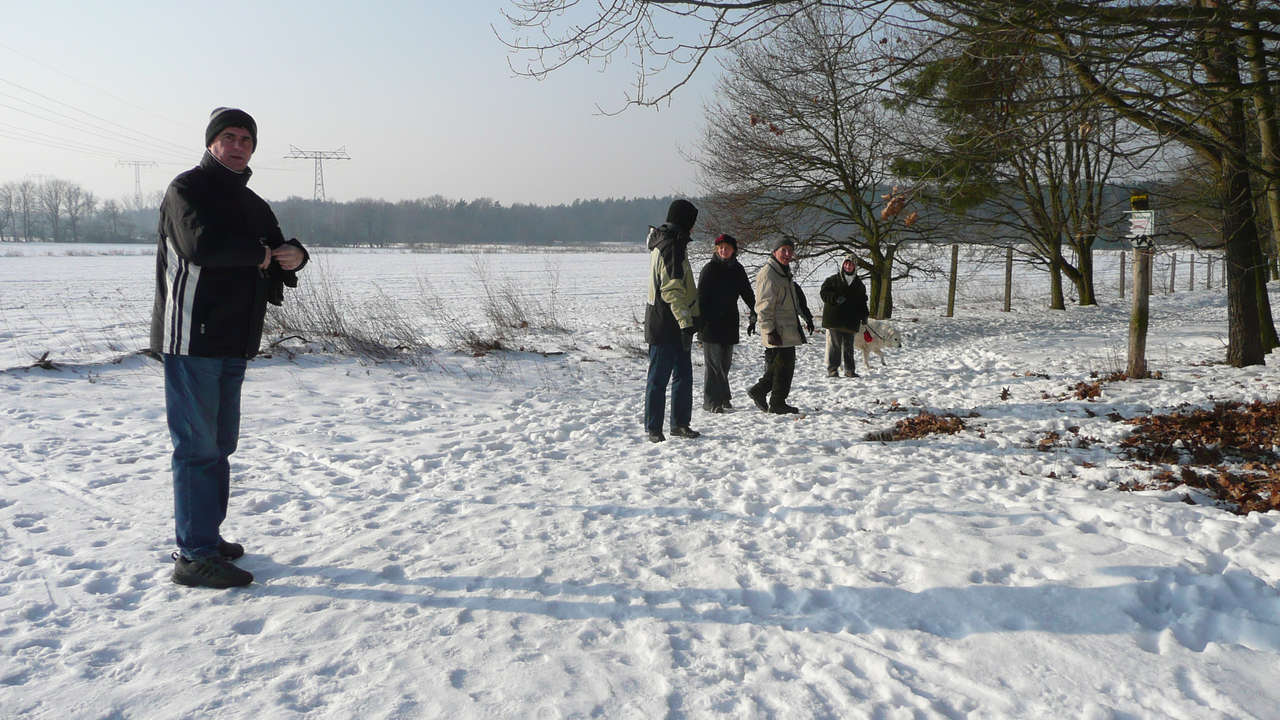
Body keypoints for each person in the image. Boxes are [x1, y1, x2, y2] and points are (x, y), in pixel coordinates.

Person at [151, 107, 309, 588]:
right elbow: (203, 246)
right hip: (192, 336)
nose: (237, 144)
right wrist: (261, 253)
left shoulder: (254, 203)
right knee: (197, 448)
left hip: (235, 338)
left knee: (219, 445)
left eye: (245, 138)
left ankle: (206, 538)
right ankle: (194, 554)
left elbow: (277, 253)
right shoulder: (187, 190)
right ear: (212, 143)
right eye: (228, 137)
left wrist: (294, 255)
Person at [644, 199, 702, 442]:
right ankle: (654, 428)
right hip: (666, 324)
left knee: (683, 376)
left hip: (674, 322)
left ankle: (680, 424)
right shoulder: (671, 247)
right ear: (685, 223)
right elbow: (671, 290)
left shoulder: (671, 243)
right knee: (659, 379)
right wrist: (685, 323)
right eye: (692, 224)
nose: (693, 229)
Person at [697, 234, 756, 413]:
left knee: (724, 364)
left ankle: (722, 397)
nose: (724, 250)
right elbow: (700, 298)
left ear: (733, 250)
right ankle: (711, 401)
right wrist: (698, 325)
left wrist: (755, 310)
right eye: (721, 247)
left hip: (729, 322)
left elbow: (747, 292)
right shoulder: (709, 269)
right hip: (710, 324)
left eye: (727, 247)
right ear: (717, 249)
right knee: (714, 365)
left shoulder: (738, 269)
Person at [748, 238, 806, 414]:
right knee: (783, 367)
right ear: (775, 252)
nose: (787, 254)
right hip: (777, 330)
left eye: (790, 251)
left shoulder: (782, 272)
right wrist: (769, 331)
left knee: (781, 366)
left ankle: (764, 394)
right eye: (783, 250)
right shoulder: (769, 274)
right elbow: (763, 307)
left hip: (787, 329)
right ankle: (776, 402)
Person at [819, 253, 869, 378]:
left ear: (855, 267)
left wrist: (864, 315)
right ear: (842, 265)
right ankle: (832, 370)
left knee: (849, 347)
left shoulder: (859, 285)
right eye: (846, 263)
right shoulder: (832, 280)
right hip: (834, 319)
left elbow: (862, 301)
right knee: (835, 346)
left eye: (851, 264)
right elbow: (823, 292)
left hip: (851, 321)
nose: (848, 266)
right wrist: (835, 298)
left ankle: (849, 370)